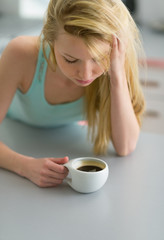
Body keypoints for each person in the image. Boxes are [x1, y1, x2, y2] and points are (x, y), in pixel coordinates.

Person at [0, 0, 145, 188]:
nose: (85, 74)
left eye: (98, 59)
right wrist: (24, 166)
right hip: (14, 130)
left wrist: (117, 75)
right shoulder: (21, 54)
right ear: (50, 41)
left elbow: (125, 147)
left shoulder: (114, 64)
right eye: (70, 59)